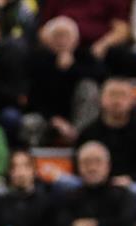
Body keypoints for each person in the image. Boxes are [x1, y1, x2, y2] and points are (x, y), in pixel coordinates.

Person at [52, 141, 132, 226]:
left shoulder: (122, 194)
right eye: (86, 162)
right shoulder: (68, 196)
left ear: (108, 165)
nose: (92, 168)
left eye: (97, 162)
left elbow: (124, 224)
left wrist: (93, 225)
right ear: (78, 166)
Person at [23, 16, 101, 147]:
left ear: (76, 40)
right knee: (28, 123)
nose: (62, 41)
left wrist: (72, 67)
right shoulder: (38, 60)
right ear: (48, 40)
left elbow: (100, 78)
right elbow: (34, 99)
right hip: (49, 119)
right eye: (57, 36)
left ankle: (82, 141)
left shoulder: (85, 57)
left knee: (89, 87)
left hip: (79, 120)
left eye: (66, 36)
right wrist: (54, 119)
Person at [76, 78, 136, 188]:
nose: (117, 101)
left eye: (122, 95)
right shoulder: (88, 133)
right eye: (112, 95)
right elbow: (78, 166)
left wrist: (131, 179)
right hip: (94, 185)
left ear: (132, 100)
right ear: (101, 98)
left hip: (133, 185)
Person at [40, 0, 132, 64]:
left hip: (96, 49)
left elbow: (122, 30)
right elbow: (42, 30)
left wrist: (104, 44)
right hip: (58, 49)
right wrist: (61, 48)